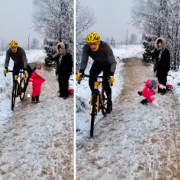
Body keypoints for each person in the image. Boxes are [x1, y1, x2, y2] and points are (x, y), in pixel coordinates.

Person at [76, 32, 117, 113]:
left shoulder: (105, 47)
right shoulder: (86, 47)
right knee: (92, 78)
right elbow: (84, 60)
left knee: (105, 83)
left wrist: (111, 74)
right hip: (97, 63)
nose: (93, 46)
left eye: (95, 44)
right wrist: (81, 71)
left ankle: (109, 100)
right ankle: (95, 95)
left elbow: (113, 62)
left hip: (108, 65)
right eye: (91, 44)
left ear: (98, 42)